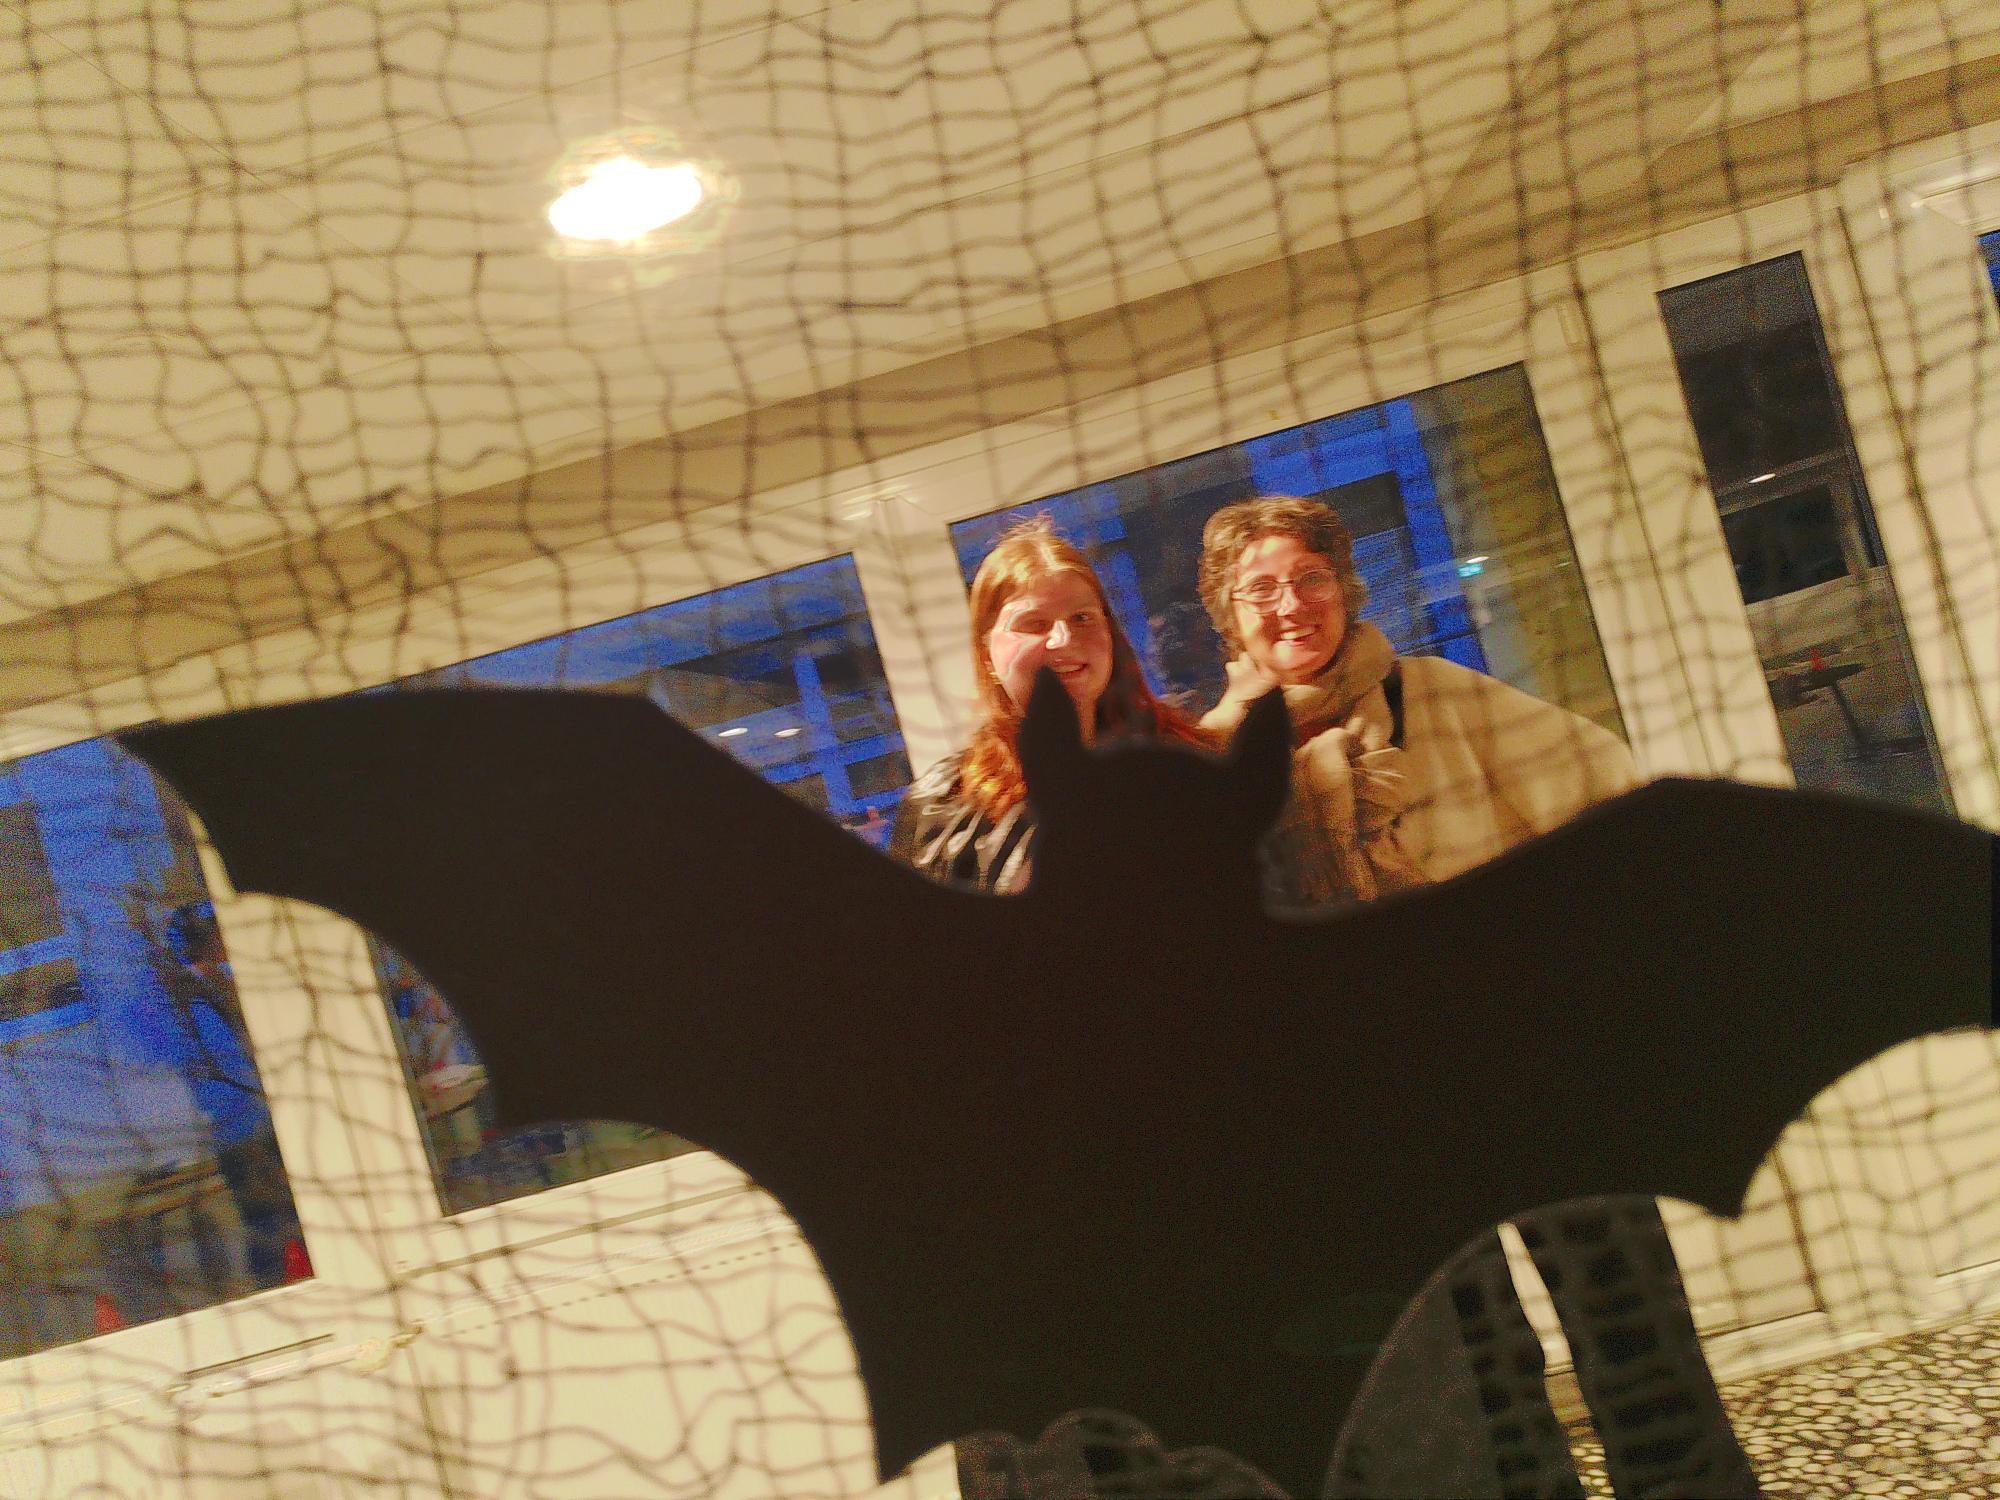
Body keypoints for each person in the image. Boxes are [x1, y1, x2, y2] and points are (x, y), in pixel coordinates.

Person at [1196, 495, 1758, 1499]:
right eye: (1261, 588)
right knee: (1484, 1364)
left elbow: (1612, 800)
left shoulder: (1437, 695)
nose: (1291, 604)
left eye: (1311, 577)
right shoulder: (1217, 760)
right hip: (1384, 1115)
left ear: (1344, 587)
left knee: (1629, 1321)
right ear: (1226, 617)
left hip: (1532, 1068)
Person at [890, 517, 1207, 890]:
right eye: (1033, 624)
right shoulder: (939, 813)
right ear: (987, 655)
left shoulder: (1187, 759)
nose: (1063, 639)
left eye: (1082, 618)